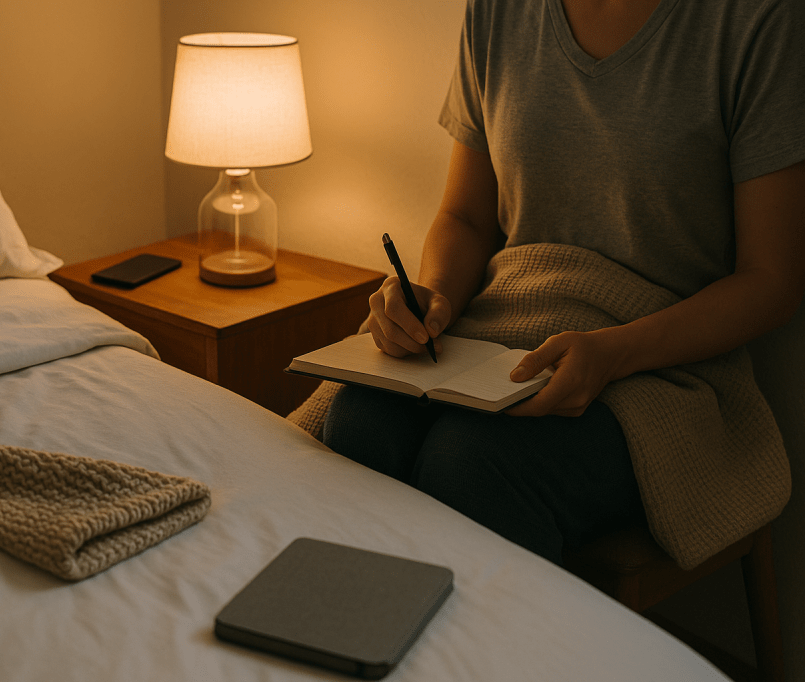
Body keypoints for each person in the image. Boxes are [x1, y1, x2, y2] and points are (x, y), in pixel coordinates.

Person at [322, 0, 805, 567]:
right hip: (504, 332)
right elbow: (467, 219)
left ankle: (483, 654)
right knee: (360, 424)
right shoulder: (498, 12)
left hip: (665, 365)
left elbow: (772, 280)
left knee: (472, 464)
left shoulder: (759, 21)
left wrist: (613, 353)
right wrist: (432, 299)